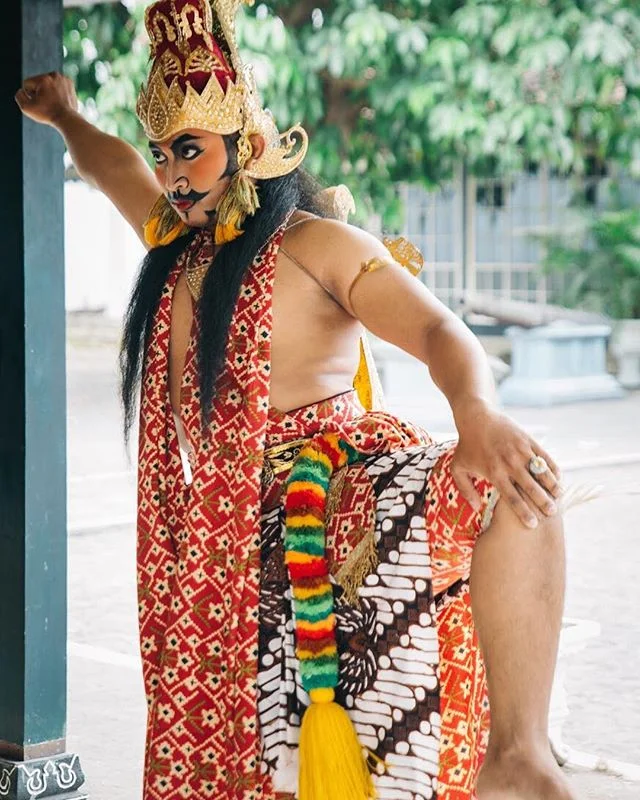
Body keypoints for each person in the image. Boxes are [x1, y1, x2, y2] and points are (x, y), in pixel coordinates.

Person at [16, 2, 576, 799]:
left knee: (516, 484)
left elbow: (438, 329)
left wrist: (477, 414)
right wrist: (66, 116)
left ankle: (520, 753)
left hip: (337, 495)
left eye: (190, 150)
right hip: (224, 535)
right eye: (163, 155)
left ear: (245, 141)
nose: (172, 176)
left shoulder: (316, 244)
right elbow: (114, 168)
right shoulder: (176, 247)